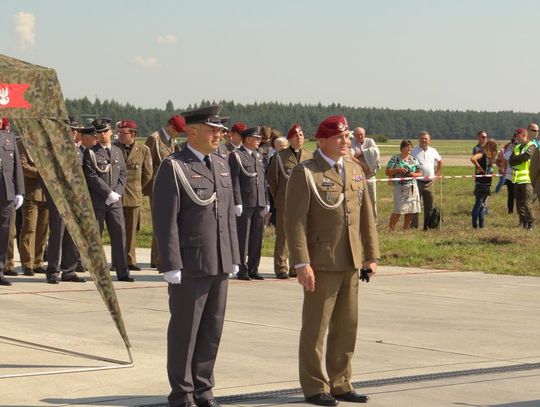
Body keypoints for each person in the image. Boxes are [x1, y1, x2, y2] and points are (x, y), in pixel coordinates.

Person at [285, 115, 379, 406]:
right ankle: (315, 387)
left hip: (350, 260)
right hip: (321, 261)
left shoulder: (354, 169)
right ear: (322, 140)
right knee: (315, 329)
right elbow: (295, 221)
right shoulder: (306, 173)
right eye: (339, 137)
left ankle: (341, 382)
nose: (345, 141)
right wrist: (301, 263)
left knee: (346, 326)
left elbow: (366, 215)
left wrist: (371, 255)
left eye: (347, 136)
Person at [152, 105, 239, 407]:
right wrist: (170, 262)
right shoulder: (174, 166)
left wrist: (234, 255)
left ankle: (204, 389)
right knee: (185, 332)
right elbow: (165, 219)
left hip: (220, 260)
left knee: (212, 329)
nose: (219, 134)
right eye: (212, 129)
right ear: (192, 131)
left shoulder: (222, 163)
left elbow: (227, 215)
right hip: (190, 263)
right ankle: (182, 393)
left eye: (220, 130)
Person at [82, 118, 134, 281]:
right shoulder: (90, 152)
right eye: (99, 132)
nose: (102, 135)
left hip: (115, 202)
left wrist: (117, 193)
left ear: (111, 132)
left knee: (119, 236)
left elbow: (124, 174)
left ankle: (122, 271)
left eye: (105, 131)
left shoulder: (118, 151)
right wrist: (107, 193)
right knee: (96, 237)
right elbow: (91, 176)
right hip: (99, 201)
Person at [267, 124, 313, 279]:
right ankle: (280, 267)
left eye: (301, 135)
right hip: (284, 201)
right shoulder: (280, 156)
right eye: (295, 135)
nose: (299, 138)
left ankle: (296, 266)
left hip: (304, 202)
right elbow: (272, 179)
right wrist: (278, 196)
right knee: (283, 235)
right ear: (290, 139)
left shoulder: (309, 155)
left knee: (301, 234)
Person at [45, 118, 86, 283]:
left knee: (73, 236)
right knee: (57, 235)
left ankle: (69, 270)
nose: (74, 133)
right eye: (71, 130)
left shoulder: (79, 151)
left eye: (75, 130)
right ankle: (53, 271)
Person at [144, 114, 186, 269]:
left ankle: (159, 257)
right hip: (157, 186)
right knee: (160, 222)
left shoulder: (172, 141)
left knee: (167, 222)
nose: (179, 133)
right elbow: (147, 164)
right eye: (177, 130)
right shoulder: (154, 139)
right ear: (170, 126)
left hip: (170, 186)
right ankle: (157, 258)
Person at [229, 126, 269, 280]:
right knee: (243, 237)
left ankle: (254, 268)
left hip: (258, 201)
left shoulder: (258, 156)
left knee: (256, 238)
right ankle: (242, 268)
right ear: (247, 139)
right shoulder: (236, 156)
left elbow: (262, 180)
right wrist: (237, 201)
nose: (259, 140)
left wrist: (266, 200)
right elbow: (234, 180)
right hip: (245, 202)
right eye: (256, 138)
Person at [114, 120, 153, 271]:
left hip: (133, 196)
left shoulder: (143, 150)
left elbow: (148, 174)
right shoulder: (114, 148)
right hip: (116, 195)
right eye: (119, 132)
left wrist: (137, 188)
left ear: (133, 134)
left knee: (130, 231)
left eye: (124, 133)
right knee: (117, 230)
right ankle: (118, 261)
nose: (120, 136)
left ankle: (130, 260)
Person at [17, 138, 49, 276]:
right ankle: (27, 264)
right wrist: (41, 173)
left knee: (43, 230)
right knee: (29, 229)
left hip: (46, 194)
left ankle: (38, 261)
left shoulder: (46, 143)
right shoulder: (22, 143)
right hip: (31, 192)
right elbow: (23, 166)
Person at [0, 126, 25, 286]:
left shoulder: (9, 137)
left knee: (3, 233)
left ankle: (0, 271)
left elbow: (17, 167)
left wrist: (19, 192)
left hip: (6, 192)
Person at [385, 139, 422, 231]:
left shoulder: (413, 159)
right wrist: (398, 170)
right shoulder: (395, 158)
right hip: (399, 187)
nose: (409, 148)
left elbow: (420, 172)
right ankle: (392, 229)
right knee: (398, 209)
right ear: (402, 148)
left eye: (410, 146)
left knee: (411, 209)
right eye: (407, 146)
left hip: (412, 187)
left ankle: (405, 230)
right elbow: (387, 171)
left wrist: (414, 174)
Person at [411, 131, 442, 229]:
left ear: (429, 140)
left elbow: (440, 161)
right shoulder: (413, 151)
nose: (423, 140)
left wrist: (436, 175)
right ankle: (414, 226)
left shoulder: (433, 151)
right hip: (416, 182)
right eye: (422, 138)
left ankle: (427, 226)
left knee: (429, 206)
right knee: (415, 205)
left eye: (426, 139)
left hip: (429, 183)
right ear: (419, 139)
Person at [350, 127, 380, 219]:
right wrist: (362, 164)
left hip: (370, 175)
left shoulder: (370, 141)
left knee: (372, 199)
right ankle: (359, 220)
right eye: (357, 135)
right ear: (354, 136)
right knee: (357, 198)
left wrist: (362, 152)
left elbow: (376, 152)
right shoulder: (352, 143)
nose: (359, 136)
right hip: (356, 175)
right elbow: (349, 155)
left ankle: (373, 220)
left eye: (361, 134)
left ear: (364, 134)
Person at [509, 128, 536, 230]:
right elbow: (511, 161)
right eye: (516, 135)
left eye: (518, 135)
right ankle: (524, 222)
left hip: (527, 180)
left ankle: (531, 223)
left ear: (524, 135)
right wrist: (517, 159)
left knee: (527, 203)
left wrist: (517, 158)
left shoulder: (531, 146)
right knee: (519, 203)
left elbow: (526, 157)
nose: (516, 137)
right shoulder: (517, 147)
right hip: (516, 180)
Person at [470, 139, 498, 229]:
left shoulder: (489, 156)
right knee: (478, 204)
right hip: (481, 182)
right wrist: (479, 167)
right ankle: (475, 226)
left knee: (482, 205)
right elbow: (473, 158)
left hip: (486, 183)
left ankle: (481, 226)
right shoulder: (483, 152)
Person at [499, 135, 516, 213]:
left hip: (519, 177)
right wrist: (505, 170)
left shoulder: (524, 146)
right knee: (511, 195)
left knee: (519, 195)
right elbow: (505, 158)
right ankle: (510, 211)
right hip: (509, 176)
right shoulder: (510, 146)